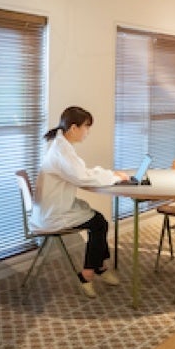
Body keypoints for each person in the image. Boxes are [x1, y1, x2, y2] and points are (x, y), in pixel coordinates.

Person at [31, 106, 126, 298]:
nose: (88, 132)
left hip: (51, 208)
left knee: (98, 220)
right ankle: (88, 274)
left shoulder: (62, 147)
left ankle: (99, 266)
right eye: (86, 127)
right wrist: (114, 177)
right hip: (53, 214)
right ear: (74, 128)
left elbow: (80, 173)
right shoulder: (62, 152)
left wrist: (111, 174)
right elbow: (82, 178)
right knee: (99, 223)